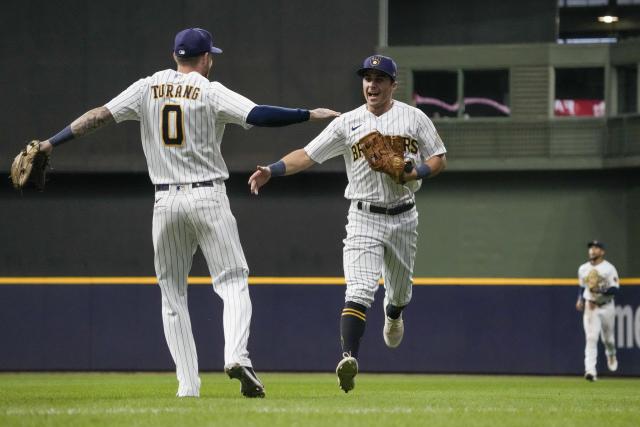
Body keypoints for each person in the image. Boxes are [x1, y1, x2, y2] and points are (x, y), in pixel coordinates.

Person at [34, 27, 339, 398]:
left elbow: (98, 116)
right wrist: (306, 114)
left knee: (173, 295)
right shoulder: (210, 90)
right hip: (208, 197)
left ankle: (187, 386)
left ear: (175, 57)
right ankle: (236, 355)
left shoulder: (147, 87)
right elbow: (259, 115)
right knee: (232, 282)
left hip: (165, 203)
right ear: (206, 58)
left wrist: (51, 143)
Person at [248, 55, 447, 393]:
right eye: (367, 78)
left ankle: (394, 314)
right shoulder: (348, 123)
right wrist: (273, 169)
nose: (372, 84)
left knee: (399, 293)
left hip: (403, 214)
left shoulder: (414, 117)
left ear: (392, 84)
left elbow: (439, 156)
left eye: (380, 78)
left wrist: (417, 171)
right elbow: (307, 154)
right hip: (363, 216)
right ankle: (348, 358)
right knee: (358, 290)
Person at [576, 240, 620, 381]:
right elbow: (582, 286)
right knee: (591, 337)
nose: (592, 250)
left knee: (608, 339)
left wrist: (600, 289)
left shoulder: (609, 268)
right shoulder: (583, 269)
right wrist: (580, 299)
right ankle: (590, 371)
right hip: (591, 306)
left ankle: (611, 353)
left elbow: (615, 289)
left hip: (606, 306)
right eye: (591, 248)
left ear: (602, 252)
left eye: (596, 248)